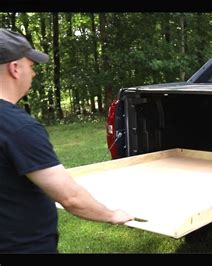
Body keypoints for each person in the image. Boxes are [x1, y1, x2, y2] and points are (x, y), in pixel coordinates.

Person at [0, 28, 134, 253]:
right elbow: (71, 198)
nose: (33, 74)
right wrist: (112, 215)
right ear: (15, 68)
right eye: (31, 66)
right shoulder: (18, 128)